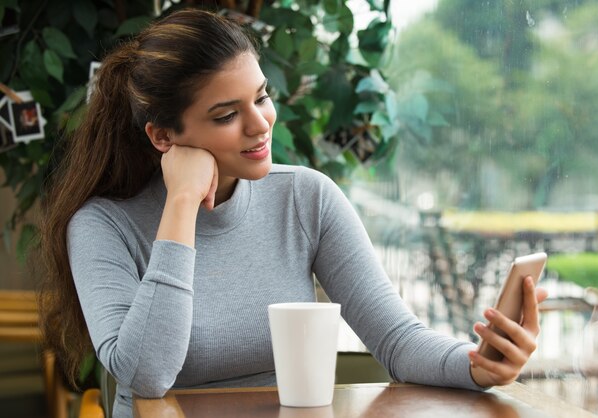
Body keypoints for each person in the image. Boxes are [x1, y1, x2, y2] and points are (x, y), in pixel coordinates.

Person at [37, 8, 548, 418]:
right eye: (227, 115)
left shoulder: (307, 198)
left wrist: (477, 366)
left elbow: (396, 341)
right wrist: (181, 204)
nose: (260, 125)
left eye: (261, 97)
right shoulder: (101, 225)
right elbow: (147, 375)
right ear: (163, 136)